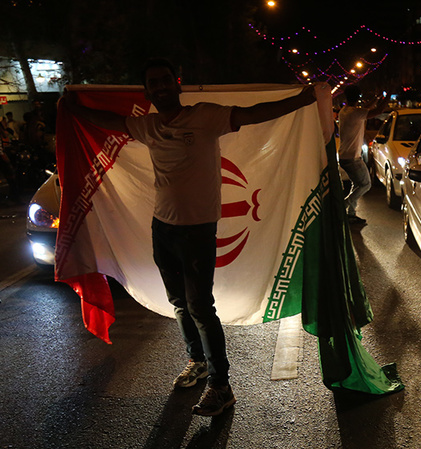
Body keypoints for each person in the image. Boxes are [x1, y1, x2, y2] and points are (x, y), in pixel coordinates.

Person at [62, 57, 318, 416]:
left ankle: (221, 385)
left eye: (166, 80)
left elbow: (254, 113)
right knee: (179, 303)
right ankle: (197, 360)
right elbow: (110, 122)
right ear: (148, 91)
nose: (161, 86)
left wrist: (300, 100)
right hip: (162, 227)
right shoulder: (147, 126)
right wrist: (74, 110)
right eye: (154, 82)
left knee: (200, 306)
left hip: (198, 229)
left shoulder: (205, 116)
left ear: (177, 84)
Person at [337, 85, 388, 225]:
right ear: (358, 97)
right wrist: (387, 96)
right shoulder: (355, 113)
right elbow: (378, 111)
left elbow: (366, 107)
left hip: (345, 157)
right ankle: (344, 206)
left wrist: (377, 98)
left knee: (357, 184)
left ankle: (351, 215)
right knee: (365, 184)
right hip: (352, 158)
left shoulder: (345, 111)